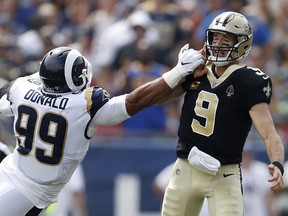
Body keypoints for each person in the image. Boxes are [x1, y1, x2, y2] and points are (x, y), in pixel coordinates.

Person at [0, 43, 206, 215]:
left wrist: (183, 81)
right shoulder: (84, 105)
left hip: (16, 177)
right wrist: (179, 71)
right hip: (28, 191)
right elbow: (139, 100)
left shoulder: (22, 88)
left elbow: (6, 98)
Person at [159, 11, 285, 216]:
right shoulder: (195, 70)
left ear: (242, 43)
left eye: (225, 39)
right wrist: (179, 73)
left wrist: (277, 163)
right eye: (215, 37)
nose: (217, 44)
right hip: (186, 169)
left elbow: (270, 134)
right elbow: (161, 97)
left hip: (224, 174)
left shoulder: (249, 81)